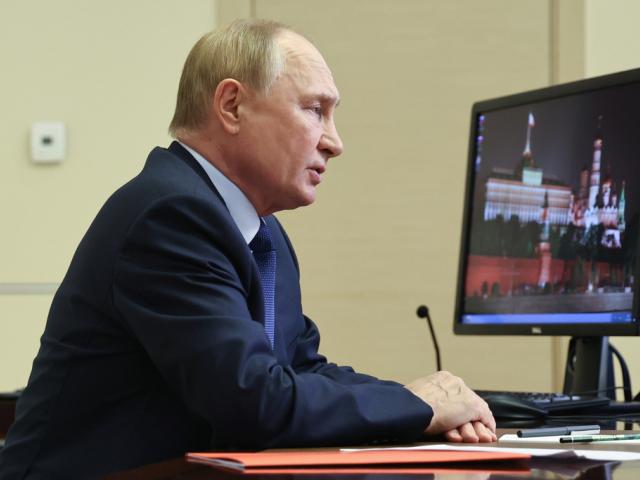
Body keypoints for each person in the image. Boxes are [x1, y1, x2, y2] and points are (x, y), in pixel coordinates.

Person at [0, 19, 495, 479]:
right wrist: (420, 406)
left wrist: (425, 402)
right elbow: (255, 401)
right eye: (314, 110)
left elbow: (299, 369)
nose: (334, 142)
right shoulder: (170, 216)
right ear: (232, 106)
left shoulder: (259, 230)